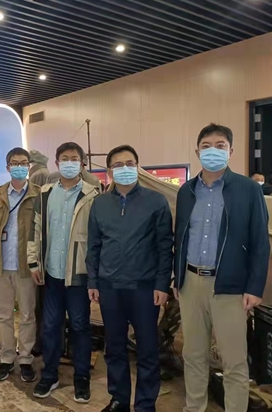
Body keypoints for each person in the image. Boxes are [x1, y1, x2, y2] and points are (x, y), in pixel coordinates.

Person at [174, 123, 270, 412]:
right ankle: (194, 407)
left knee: (234, 361)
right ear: (197, 152)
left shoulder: (248, 189)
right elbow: (179, 237)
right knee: (193, 355)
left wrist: (255, 287)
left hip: (230, 286)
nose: (212, 151)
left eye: (220, 145)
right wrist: (177, 278)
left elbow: (260, 241)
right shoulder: (186, 191)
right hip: (191, 283)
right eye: (206, 146)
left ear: (231, 151)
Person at [87, 145, 174, 412]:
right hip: (110, 287)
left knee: (147, 349)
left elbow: (165, 246)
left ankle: (146, 404)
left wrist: (162, 284)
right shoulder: (100, 204)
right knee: (114, 348)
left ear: (138, 167)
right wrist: (93, 281)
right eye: (118, 165)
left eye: (129, 163)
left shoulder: (156, 201)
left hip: (144, 288)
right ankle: (119, 399)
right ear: (109, 171)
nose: (124, 169)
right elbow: (94, 245)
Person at [28, 142, 98, 403]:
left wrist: (94, 274)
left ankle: (82, 377)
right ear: (57, 163)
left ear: (82, 163)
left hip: (78, 274)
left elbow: (97, 237)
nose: (69, 163)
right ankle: (50, 374)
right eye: (64, 158)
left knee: (80, 326)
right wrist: (34, 263)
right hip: (52, 274)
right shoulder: (45, 193)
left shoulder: (92, 194)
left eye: (74, 159)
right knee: (50, 326)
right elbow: (36, 230)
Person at [0, 147, 40, 382]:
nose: (19, 166)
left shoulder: (38, 194)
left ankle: (25, 358)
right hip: (1, 264)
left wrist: (38, 263)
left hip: (26, 266)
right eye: (15, 163)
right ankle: (6, 357)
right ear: (8, 167)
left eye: (23, 163)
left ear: (29, 166)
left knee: (27, 314)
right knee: (4, 315)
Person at [28, 149, 50, 356]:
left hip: (43, 250)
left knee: (41, 305)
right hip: (40, 249)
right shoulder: (41, 173)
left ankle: (41, 342)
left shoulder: (39, 175)